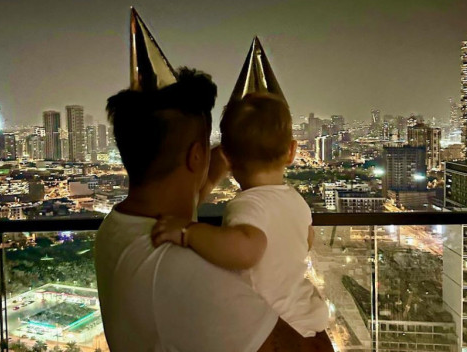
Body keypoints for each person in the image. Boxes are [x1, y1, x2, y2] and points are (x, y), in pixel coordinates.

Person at [95, 68, 334, 351]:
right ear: (197, 155)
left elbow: (185, 203)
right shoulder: (195, 278)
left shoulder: (115, 229)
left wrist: (221, 164)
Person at [151, 93, 329, 338]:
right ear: (292, 151)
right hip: (304, 314)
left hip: (268, 323)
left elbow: (246, 250)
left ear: (227, 158)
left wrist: (188, 232)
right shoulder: (297, 202)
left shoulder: (248, 206)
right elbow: (306, 240)